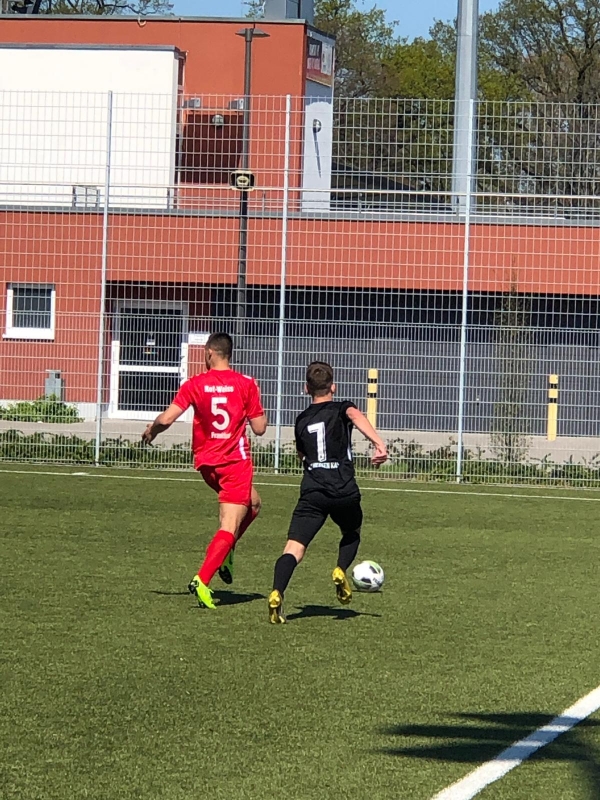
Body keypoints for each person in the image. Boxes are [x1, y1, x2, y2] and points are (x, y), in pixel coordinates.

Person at [142, 332, 267, 609]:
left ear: (210, 352)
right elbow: (259, 428)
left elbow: (167, 418)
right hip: (234, 463)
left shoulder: (195, 384)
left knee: (254, 503)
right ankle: (202, 579)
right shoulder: (246, 383)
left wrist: (153, 430)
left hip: (207, 464)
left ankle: (225, 552)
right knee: (229, 524)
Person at [268, 361, 387, 624]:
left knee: (294, 548)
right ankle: (340, 569)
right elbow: (356, 415)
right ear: (333, 387)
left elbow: (302, 454)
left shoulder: (302, 419)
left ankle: (277, 591)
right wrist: (378, 444)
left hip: (313, 492)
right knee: (352, 532)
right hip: (344, 490)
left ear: (306, 388)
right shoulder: (342, 408)